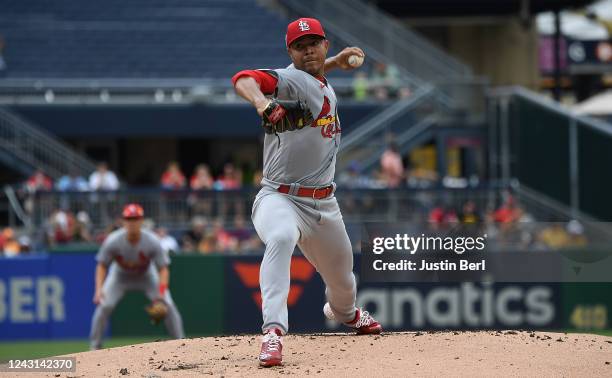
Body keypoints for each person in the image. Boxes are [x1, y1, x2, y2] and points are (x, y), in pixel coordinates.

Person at [232, 17, 382, 367]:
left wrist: (337, 64)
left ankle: (344, 313)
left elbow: (311, 74)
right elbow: (244, 79)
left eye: (314, 43)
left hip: (324, 204)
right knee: (281, 237)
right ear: (290, 52)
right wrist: (261, 103)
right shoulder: (289, 79)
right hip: (279, 197)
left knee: (344, 281)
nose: (308, 49)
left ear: (325, 44)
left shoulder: (318, 80)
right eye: (300, 46)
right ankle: (272, 333)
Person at [89, 204, 184, 350]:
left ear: (141, 221)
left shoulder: (152, 240)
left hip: (146, 275)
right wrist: (98, 289)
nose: (132, 222)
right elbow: (102, 265)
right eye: (129, 219)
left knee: (167, 304)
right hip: (119, 276)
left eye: (135, 218)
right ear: (123, 221)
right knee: (104, 304)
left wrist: (161, 292)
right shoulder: (113, 240)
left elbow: (163, 268)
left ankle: (181, 343)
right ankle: (95, 347)